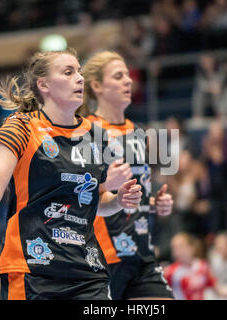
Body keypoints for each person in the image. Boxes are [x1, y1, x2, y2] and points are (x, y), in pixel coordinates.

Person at [0, 48, 142, 300]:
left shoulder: (97, 136)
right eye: (68, 72)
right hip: (32, 268)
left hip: (87, 271)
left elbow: (97, 201)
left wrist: (118, 200)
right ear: (43, 84)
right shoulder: (21, 126)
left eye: (79, 71)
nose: (79, 78)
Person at [77, 51, 174, 300]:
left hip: (142, 256)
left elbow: (135, 196)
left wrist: (156, 204)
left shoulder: (139, 132)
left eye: (128, 76)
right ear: (97, 85)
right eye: (118, 76)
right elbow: (79, 196)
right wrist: (105, 182)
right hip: (103, 258)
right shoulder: (87, 132)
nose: (128, 81)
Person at [164, 232, 227, 300]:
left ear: (191, 247)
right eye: (174, 248)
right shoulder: (170, 272)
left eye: (180, 247)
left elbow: (219, 291)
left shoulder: (203, 267)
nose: (177, 251)